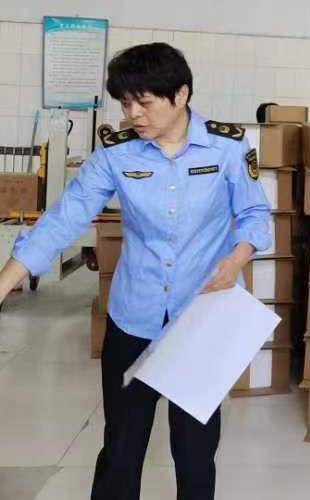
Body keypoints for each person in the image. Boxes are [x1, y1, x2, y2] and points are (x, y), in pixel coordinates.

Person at [0, 43, 271, 499]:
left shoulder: (226, 146)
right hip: (133, 318)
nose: (133, 115)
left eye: (143, 102)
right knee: (122, 445)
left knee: (195, 448)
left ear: (180, 95)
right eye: (125, 103)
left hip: (200, 319)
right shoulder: (117, 153)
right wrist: (6, 281)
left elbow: (254, 213)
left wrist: (238, 255)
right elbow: (65, 216)